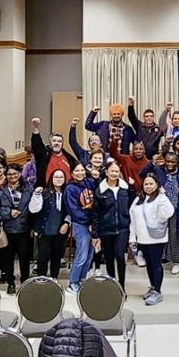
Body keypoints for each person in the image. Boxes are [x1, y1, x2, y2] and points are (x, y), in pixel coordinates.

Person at [129, 173, 176, 305]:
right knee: (149, 264)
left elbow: (169, 212)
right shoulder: (138, 199)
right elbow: (132, 219)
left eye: (151, 184)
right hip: (142, 239)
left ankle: (158, 291)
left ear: (156, 185)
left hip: (156, 239)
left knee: (155, 264)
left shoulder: (160, 198)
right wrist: (132, 238)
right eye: (146, 184)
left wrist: (163, 195)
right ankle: (153, 288)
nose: (148, 186)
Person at [90, 161, 135, 288]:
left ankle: (122, 286)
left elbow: (131, 207)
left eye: (116, 171)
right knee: (109, 258)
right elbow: (95, 213)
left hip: (122, 229)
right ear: (106, 172)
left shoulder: (126, 189)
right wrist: (95, 233)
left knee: (120, 256)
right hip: (106, 230)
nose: (114, 174)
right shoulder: (100, 190)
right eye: (112, 171)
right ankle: (113, 284)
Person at [0, 163, 34, 295]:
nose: (12, 176)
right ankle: (10, 282)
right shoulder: (0, 191)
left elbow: (34, 208)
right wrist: (8, 213)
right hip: (8, 230)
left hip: (25, 229)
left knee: (24, 258)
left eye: (15, 173)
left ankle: (25, 281)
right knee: (7, 258)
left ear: (20, 174)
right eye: (9, 174)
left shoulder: (29, 189)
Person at [147, 149, 179, 276]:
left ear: (177, 162)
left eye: (173, 161)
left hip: (177, 209)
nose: (170, 164)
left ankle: (176, 262)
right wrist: (151, 163)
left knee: (175, 236)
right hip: (160, 210)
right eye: (167, 161)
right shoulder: (158, 170)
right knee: (160, 234)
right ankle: (160, 258)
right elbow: (143, 174)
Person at [63, 165, 95, 293]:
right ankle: (73, 282)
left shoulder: (87, 183)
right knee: (81, 254)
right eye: (77, 170)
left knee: (89, 254)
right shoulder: (70, 189)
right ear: (71, 172)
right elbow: (74, 211)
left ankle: (82, 278)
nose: (80, 173)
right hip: (81, 224)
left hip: (92, 224)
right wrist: (89, 220)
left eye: (82, 170)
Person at [29, 117, 76, 187]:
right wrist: (36, 127)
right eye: (54, 141)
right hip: (47, 190)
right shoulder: (44, 155)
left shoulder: (69, 158)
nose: (56, 143)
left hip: (65, 190)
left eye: (59, 141)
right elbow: (37, 145)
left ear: (62, 144)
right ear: (50, 143)